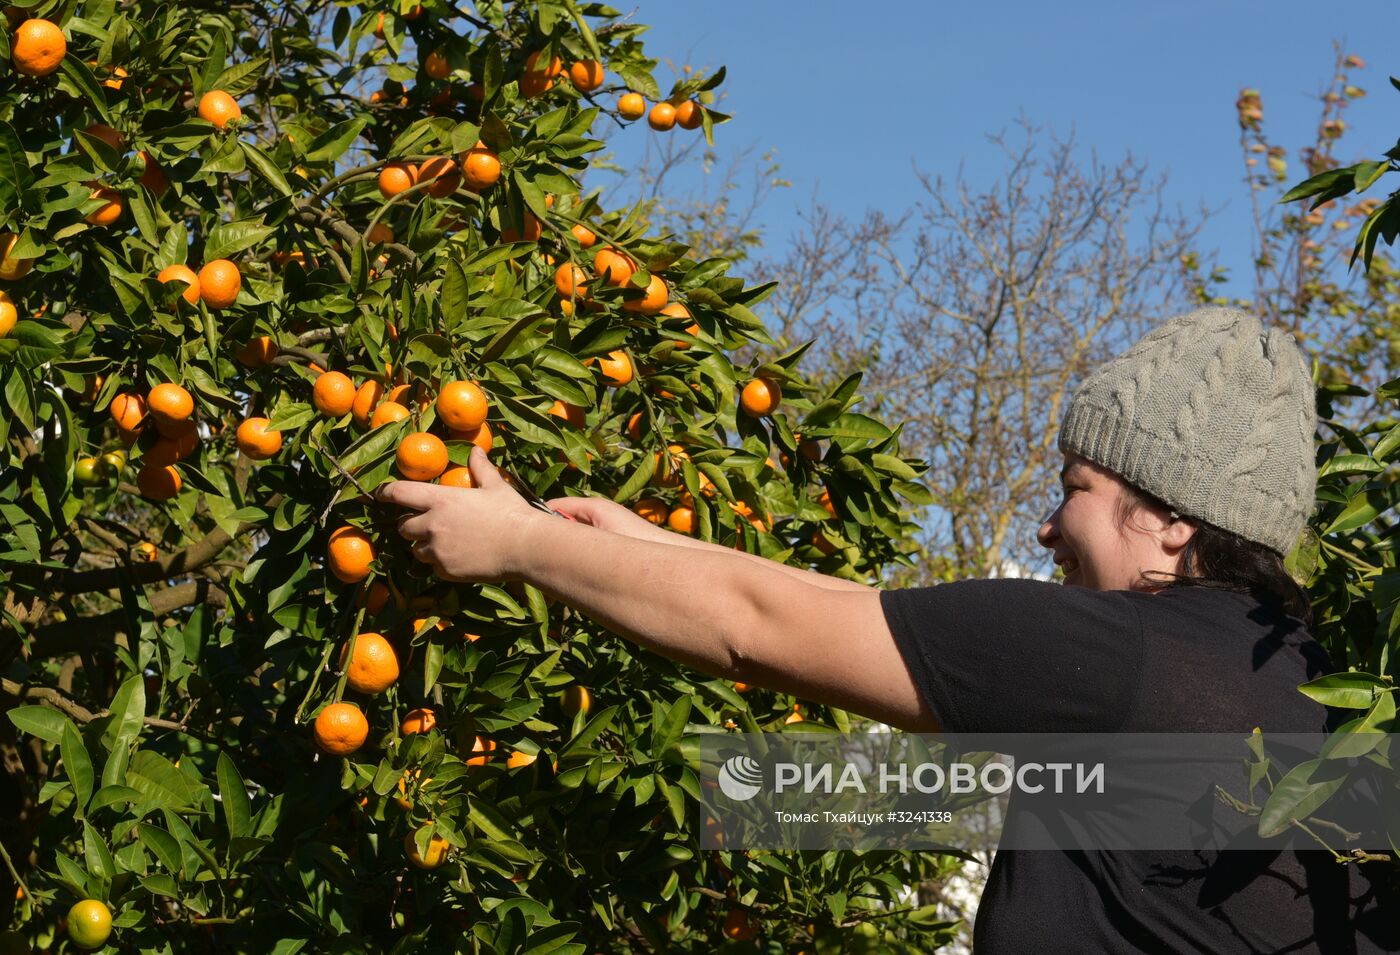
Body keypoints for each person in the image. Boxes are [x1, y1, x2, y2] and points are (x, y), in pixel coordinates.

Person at [379, 306, 1398, 953]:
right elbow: (856, 620)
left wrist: (517, 547)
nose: (1047, 525)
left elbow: (753, 631)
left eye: (1075, 489)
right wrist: (658, 543)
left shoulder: (1103, 654)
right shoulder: (1312, 694)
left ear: (1171, 517)